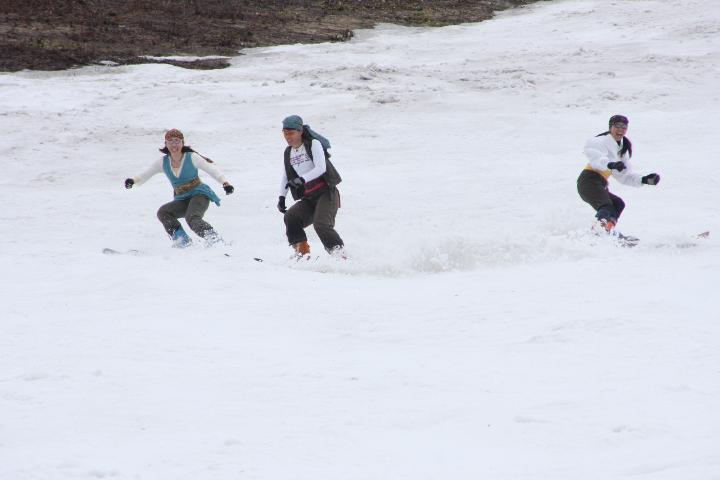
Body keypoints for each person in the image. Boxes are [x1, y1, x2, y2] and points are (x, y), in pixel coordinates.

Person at [124, 129, 234, 247]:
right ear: (166, 144)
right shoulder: (163, 162)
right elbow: (146, 173)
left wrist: (225, 183)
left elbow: (212, 170)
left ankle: (216, 241)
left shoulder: (192, 157)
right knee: (163, 212)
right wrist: (133, 180)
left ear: (182, 142)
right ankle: (182, 241)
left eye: (177, 141)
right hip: (182, 198)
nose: (174, 145)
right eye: (170, 141)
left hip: (200, 194)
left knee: (192, 218)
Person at [577, 114, 660, 235]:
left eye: (624, 127)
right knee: (606, 206)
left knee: (618, 204)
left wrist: (644, 180)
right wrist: (610, 164)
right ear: (610, 127)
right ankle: (596, 232)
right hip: (589, 180)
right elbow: (596, 157)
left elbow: (624, 176)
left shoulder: (622, 150)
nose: (621, 129)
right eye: (617, 126)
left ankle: (608, 230)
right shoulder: (600, 141)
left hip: (600, 183)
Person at [276, 115, 345, 258]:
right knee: (291, 217)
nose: (288, 137)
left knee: (321, 225)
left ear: (300, 131)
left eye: (291, 133)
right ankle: (302, 252)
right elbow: (286, 176)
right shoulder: (288, 151)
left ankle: (339, 254)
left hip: (326, 193)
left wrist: (301, 179)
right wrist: (281, 197)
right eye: (285, 133)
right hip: (309, 197)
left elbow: (321, 168)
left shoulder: (313, 144)